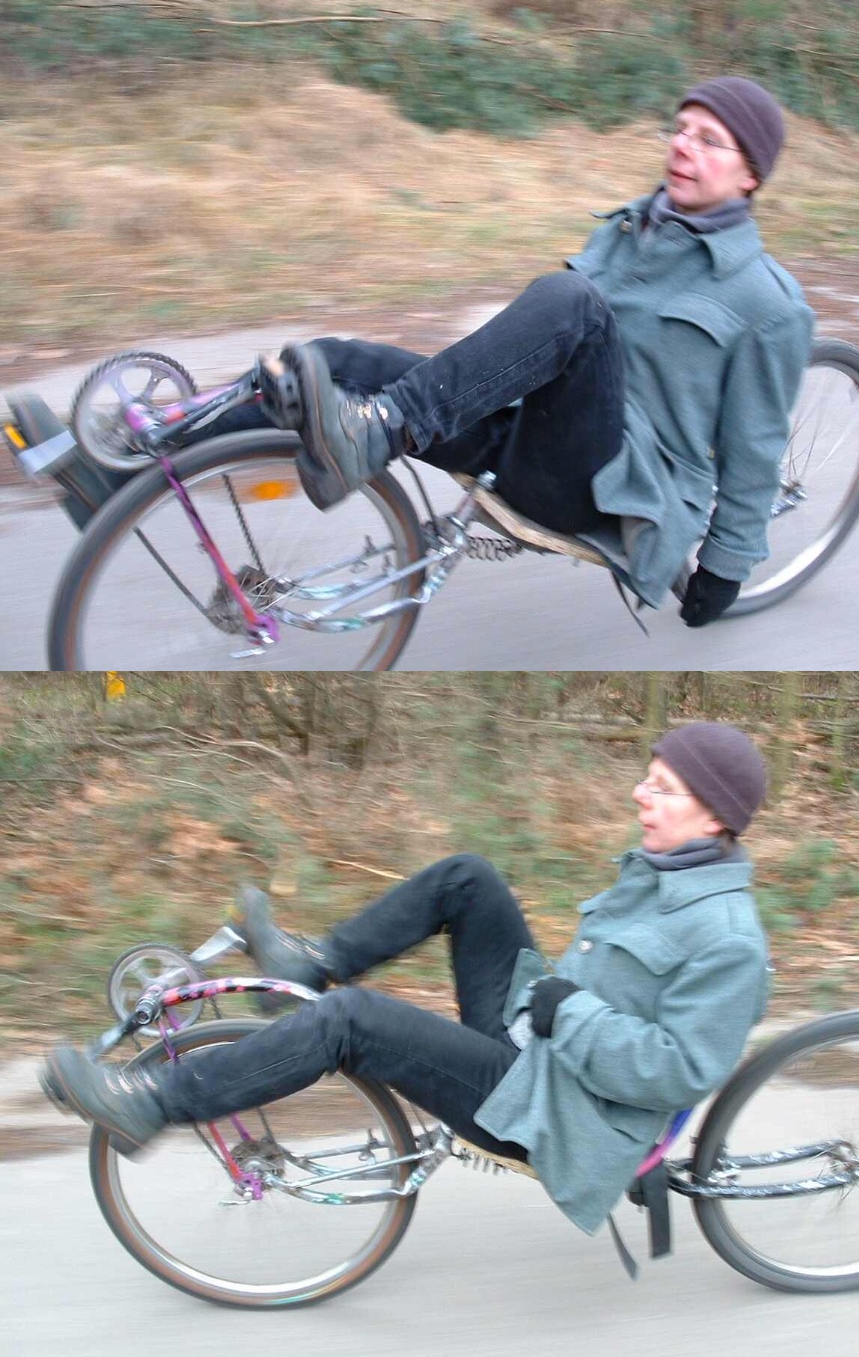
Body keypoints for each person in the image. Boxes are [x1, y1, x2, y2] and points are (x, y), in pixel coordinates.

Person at [43, 721, 772, 1238]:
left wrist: (572, 1014)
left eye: (664, 788)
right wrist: (560, 1010)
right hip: (537, 1042)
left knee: (352, 1021)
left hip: (553, 1111)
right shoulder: (663, 872)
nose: (641, 795)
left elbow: (681, 1071)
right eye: (648, 778)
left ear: (714, 818)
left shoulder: (729, 941)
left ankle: (153, 1104)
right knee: (468, 878)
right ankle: (308, 963)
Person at [216, 74, 814, 626]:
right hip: (522, 431)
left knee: (573, 302)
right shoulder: (629, 226)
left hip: (606, 488)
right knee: (328, 365)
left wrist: (726, 565)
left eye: (709, 140)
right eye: (680, 129)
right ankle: (170, 449)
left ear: (750, 175)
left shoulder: (769, 303)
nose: (682, 146)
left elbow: (755, 448)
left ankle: (382, 428)